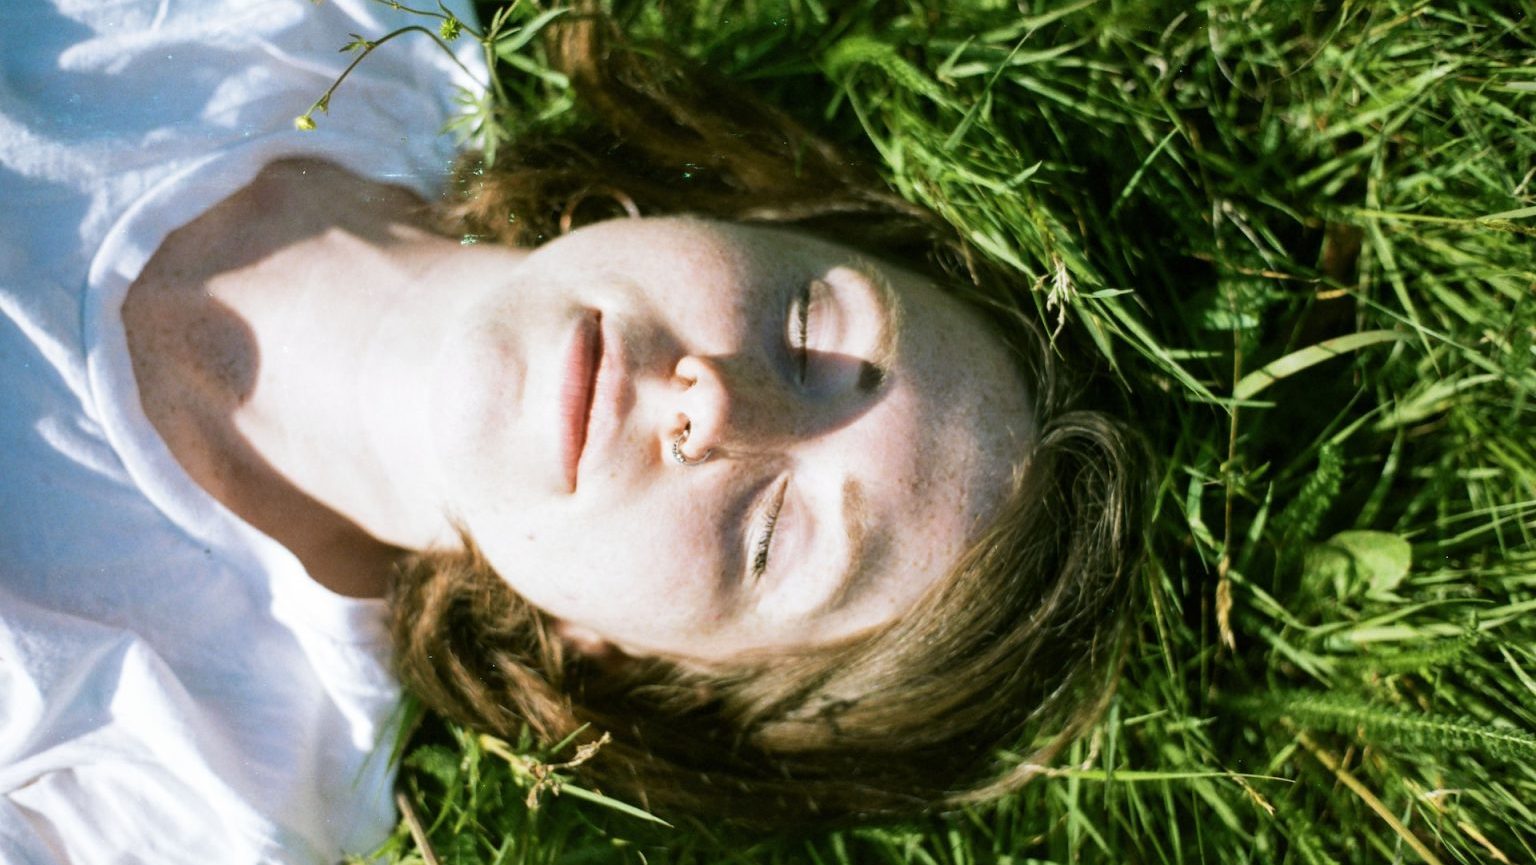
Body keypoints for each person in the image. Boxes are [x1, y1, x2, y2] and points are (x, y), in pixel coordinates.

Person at [0, 0, 1145, 860]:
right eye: (806, 330)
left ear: (638, 662)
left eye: (771, 537)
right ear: (739, 219)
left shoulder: (204, 789)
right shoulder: (323, 23)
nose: (714, 405)